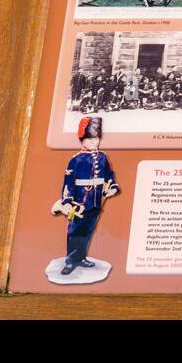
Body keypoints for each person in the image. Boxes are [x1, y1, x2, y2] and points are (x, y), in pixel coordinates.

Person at [51, 116, 119, 276]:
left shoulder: (103, 157)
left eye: (95, 138)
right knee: (75, 231)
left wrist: (113, 187)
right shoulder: (76, 160)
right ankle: (71, 260)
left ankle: (81, 258)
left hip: (95, 201)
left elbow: (109, 175)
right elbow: (69, 182)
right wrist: (67, 201)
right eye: (89, 139)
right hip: (79, 202)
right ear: (82, 140)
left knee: (87, 231)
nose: (93, 142)